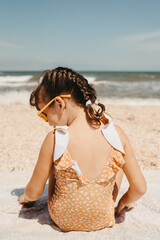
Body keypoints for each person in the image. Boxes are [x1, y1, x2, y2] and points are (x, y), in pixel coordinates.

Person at [19, 67, 147, 231]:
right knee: (118, 161)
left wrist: (26, 196)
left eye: (44, 114)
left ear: (59, 103)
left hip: (62, 219)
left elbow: (35, 192)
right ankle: (106, 203)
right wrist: (122, 204)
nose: (47, 122)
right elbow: (140, 188)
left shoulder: (55, 138)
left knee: (55, 159)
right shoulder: (116, 134)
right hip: (103, 217)